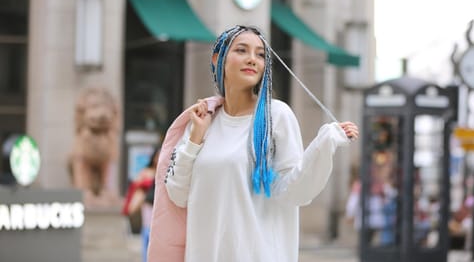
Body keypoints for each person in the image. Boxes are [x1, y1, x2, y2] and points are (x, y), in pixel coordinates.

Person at [148, 25, 359, 262]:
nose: (252, 59)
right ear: (219, 58)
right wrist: (196, 138)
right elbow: (177, 194)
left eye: (260, 54)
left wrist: (325, 143)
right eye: (242, 50)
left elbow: (293, 191)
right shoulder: (202, 121)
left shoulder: (275, 116)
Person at [122, 147, 159, 262]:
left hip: (159, 207)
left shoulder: (165, 170)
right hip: (148, 207)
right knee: (147, 234)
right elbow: (136, 188)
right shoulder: (146, 173)